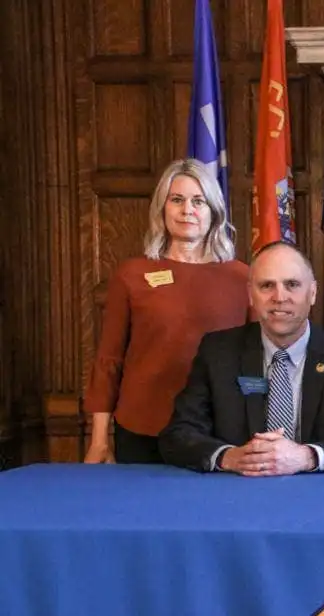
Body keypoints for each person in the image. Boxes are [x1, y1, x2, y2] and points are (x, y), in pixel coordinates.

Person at [159, 241, 324, 475]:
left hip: (322, 498)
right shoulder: (218, 351)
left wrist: (307, 457)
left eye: (292, 284)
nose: (280, 297)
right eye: (267, 285)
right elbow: (179, 434)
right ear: (251, 295)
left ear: (312, 293)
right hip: (236, 494)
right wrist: (229, 457)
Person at [83, 159, 250, 464]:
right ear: (162, 208)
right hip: (142, 427)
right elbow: (109, 358)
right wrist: (99, 440)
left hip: (218, 432)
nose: (188, 209)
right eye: (177, 200)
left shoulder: (243, 278)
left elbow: (258, 360)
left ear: (214, 211)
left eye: (198, 201)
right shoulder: (131, 274)